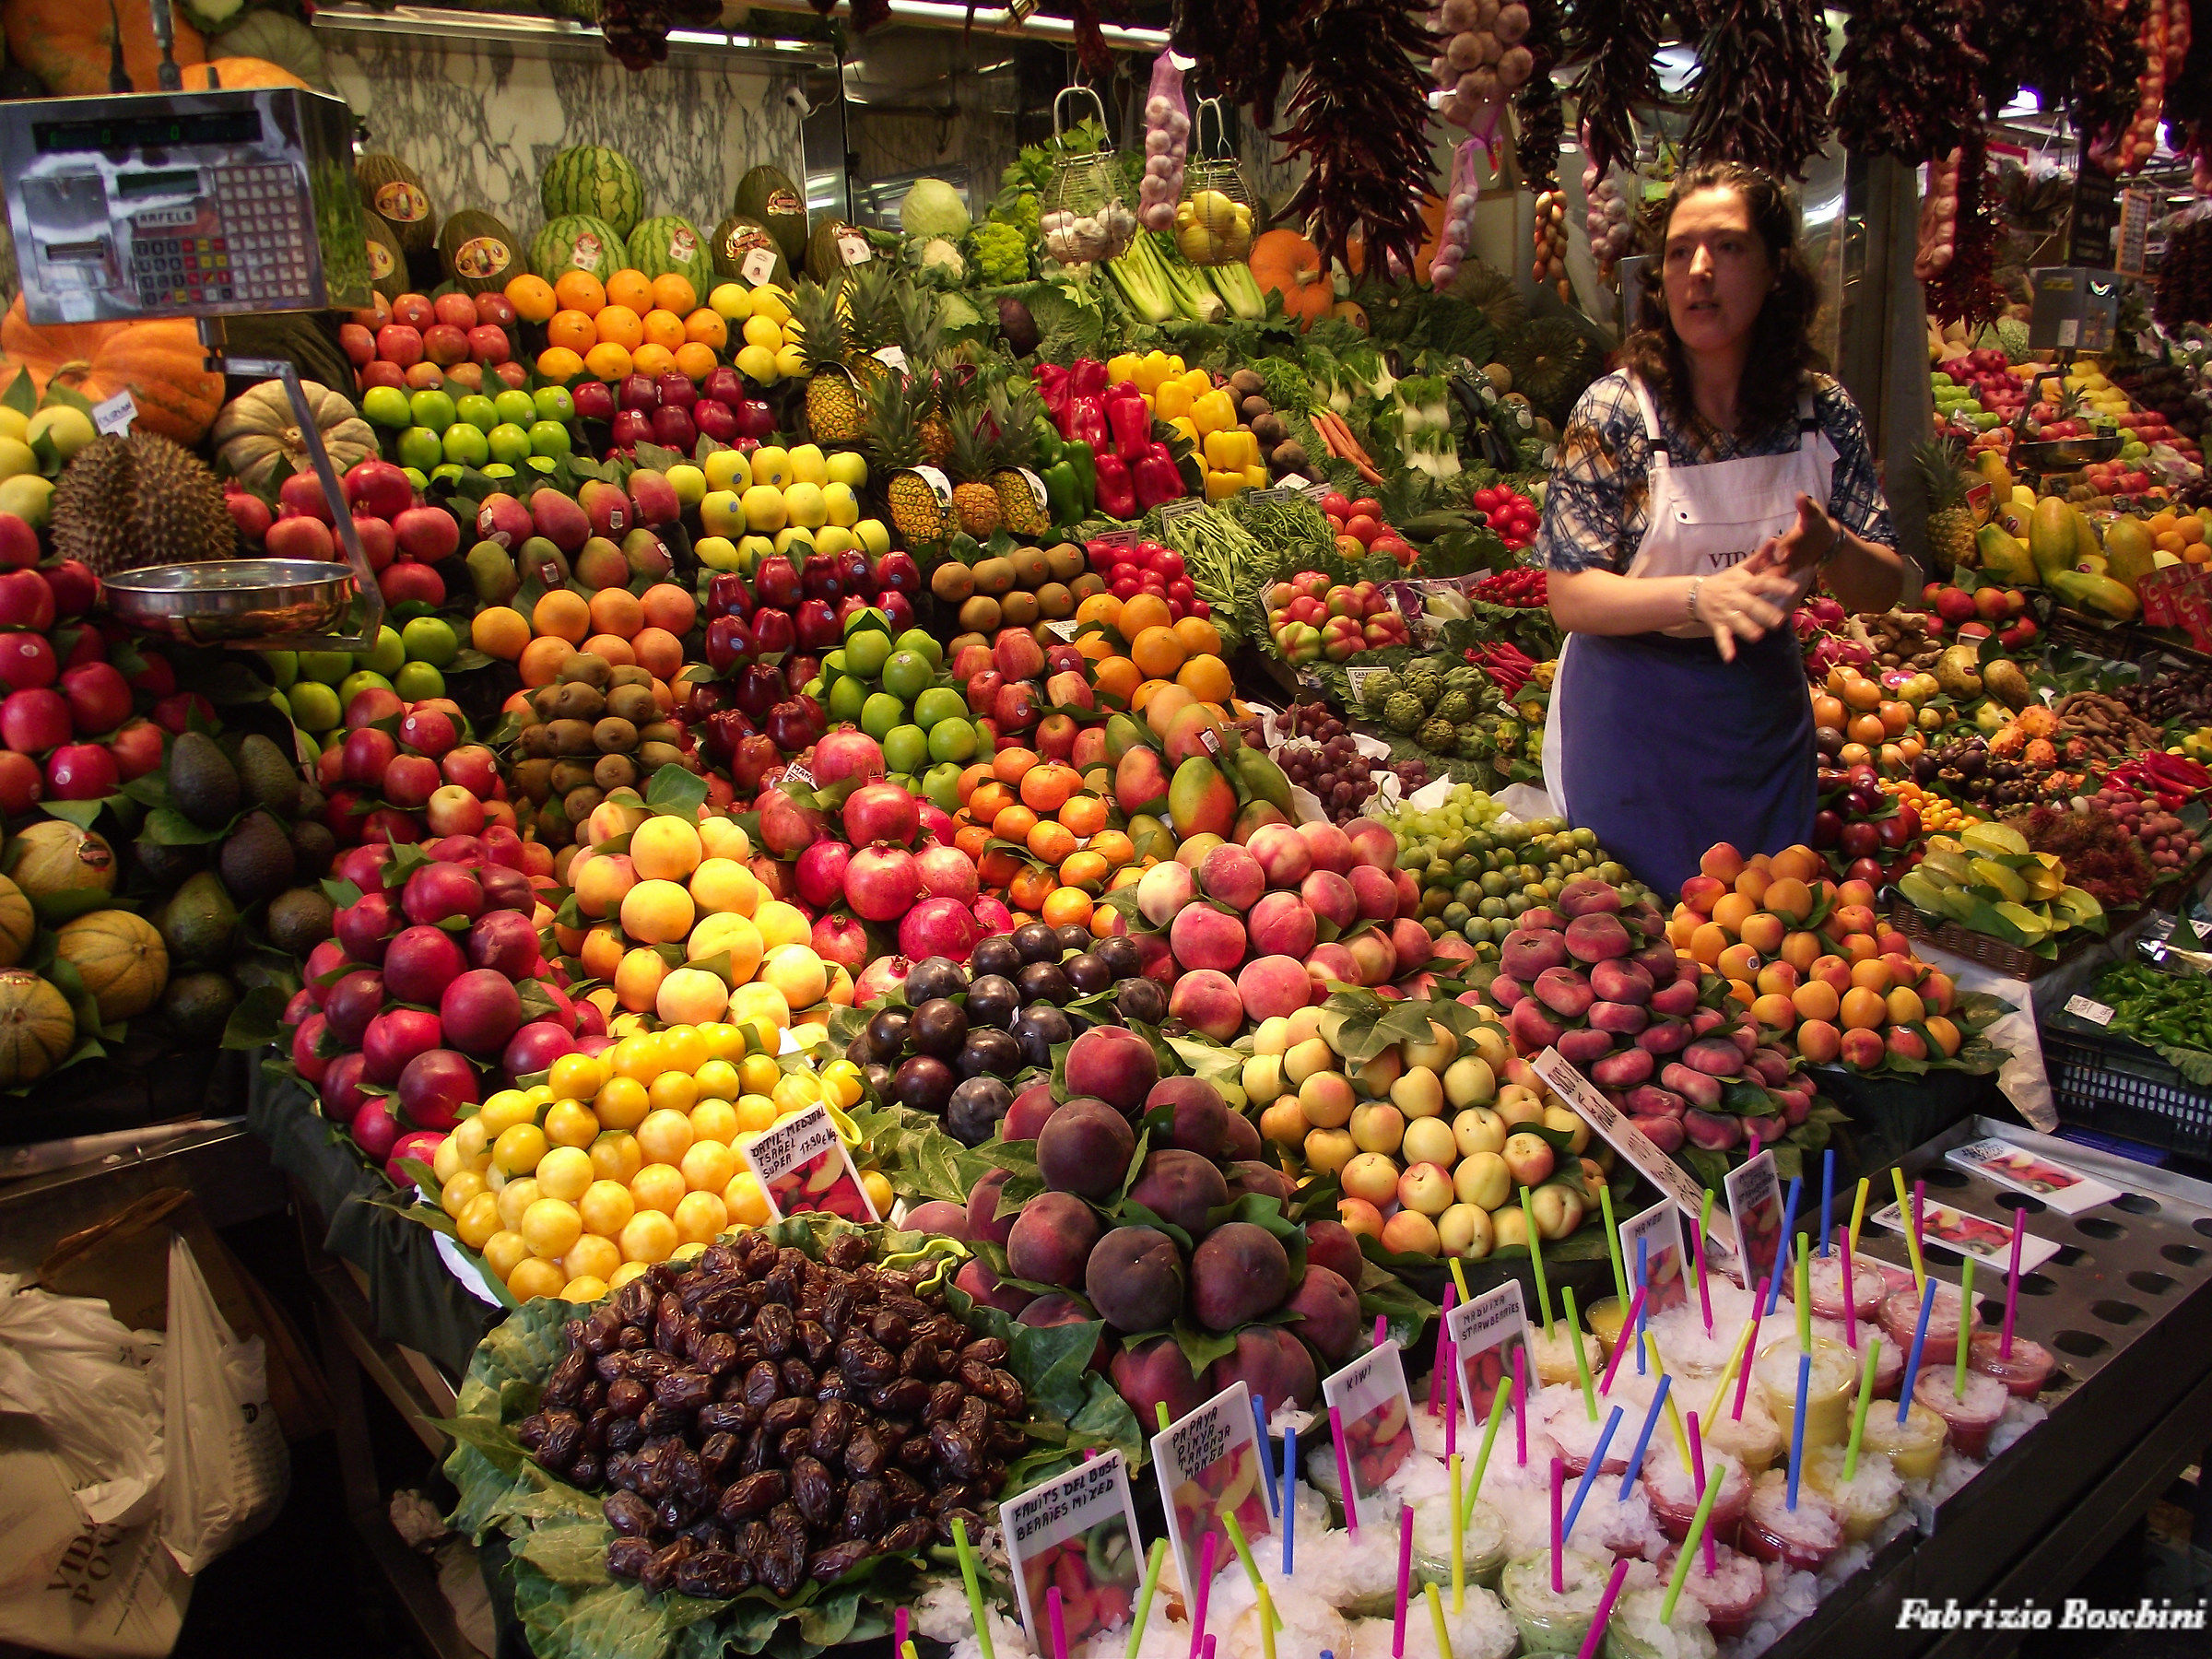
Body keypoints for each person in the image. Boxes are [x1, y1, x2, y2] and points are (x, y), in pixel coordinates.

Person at [1534, 160, 1902, 897]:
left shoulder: (1823, 414)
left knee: (1764, 939)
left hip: (1759, 725)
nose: (1699, 270)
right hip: (1630, 722)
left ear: (1775, 272)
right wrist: (1700, 596)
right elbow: (1570, 597)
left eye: (1728, 247)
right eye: (1678, 252)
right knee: (1639, 957)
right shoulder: (1615, 412)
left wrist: (1830, 543)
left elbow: (1889, 587)